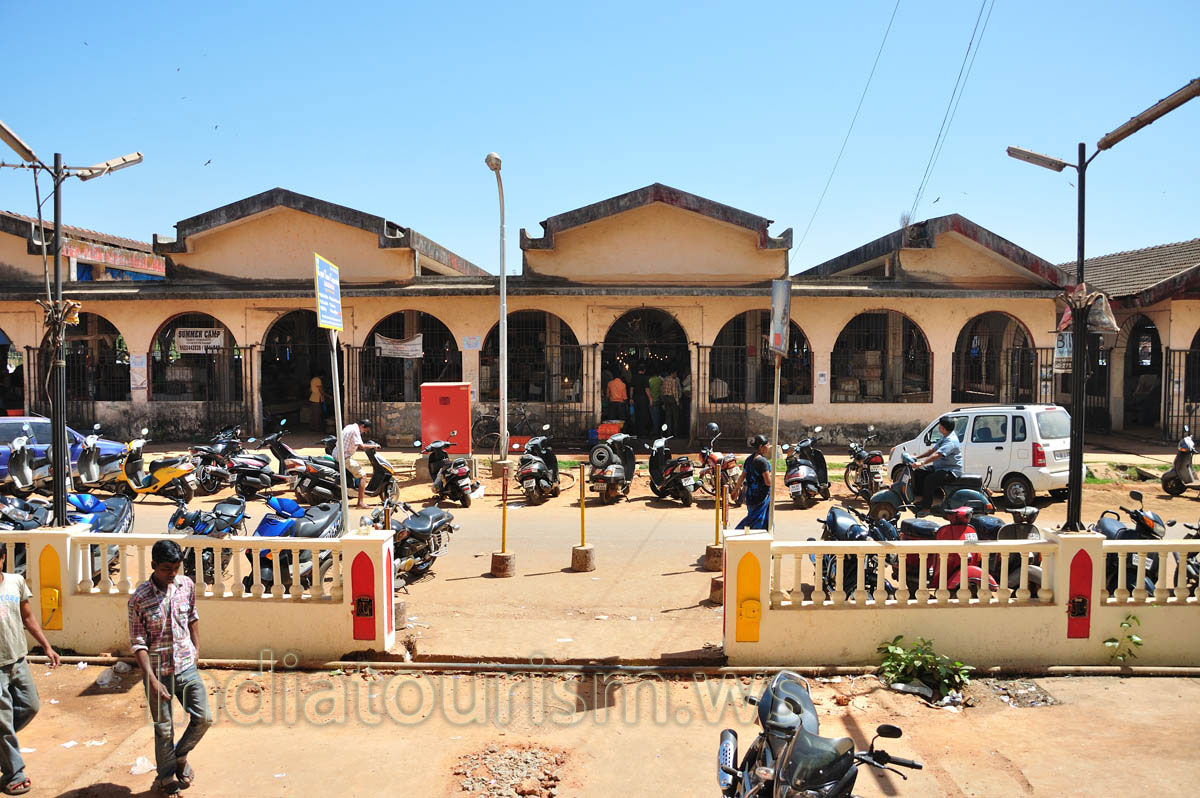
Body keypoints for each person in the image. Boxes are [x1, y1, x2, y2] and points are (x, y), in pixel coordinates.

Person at [128, 539, 209, 795]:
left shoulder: (186, 585)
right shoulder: (139, 599)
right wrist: (151, 679)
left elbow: (193, 616)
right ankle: (165, 779)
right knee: (164, 729)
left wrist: (196, 648)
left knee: (203, 718)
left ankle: (179, 756)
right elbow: (138, 642)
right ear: (153, 565)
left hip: (186, 665)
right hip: (157, 672)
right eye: (166, 568)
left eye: (176, 567)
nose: (172, 573)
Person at [0, 545, 59, 796]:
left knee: (30, 706)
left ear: (2, 559)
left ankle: (4, 745)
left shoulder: (15, 582)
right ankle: (15, 773)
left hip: (18, 659)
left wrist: (47, 646)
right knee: (2, 722)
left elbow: (28, 617)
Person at [913, 416, 964, 513]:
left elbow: (937, 454)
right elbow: (932, 450)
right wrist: (917, 457)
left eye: (940, 425)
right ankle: (922, 500)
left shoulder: (950, 441)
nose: (938, 427)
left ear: (943, 428)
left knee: (930, 479)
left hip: (950, 471)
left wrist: (922, 462)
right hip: (941, 467)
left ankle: (926, 508)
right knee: (919, 472)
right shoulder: (945, 437)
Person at [734, 434, 773, 530]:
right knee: (756, 522)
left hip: (750, 497)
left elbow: (742, 476)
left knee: (755, 518)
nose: (769, 447)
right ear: (761, 447)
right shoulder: (762, 462)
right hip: (761, 497)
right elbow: (768, 482)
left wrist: (735, 490)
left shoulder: (749, 459)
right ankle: (738, 534)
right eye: (767, 445)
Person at [341, 418, 379, 509]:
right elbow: (361, 446)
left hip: (338, 454)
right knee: (363, 476)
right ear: (362, 426)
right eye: (366, 430)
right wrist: (375, 446)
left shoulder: (349, 426)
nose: (365, 432)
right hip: (344, 457)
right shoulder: (355, 431)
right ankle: (360, 503)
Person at [660, 370, 681, 436]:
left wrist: (663, 400)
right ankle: (675, 432)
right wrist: (677, 402)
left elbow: (662, 390)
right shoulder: (673, 380)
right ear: (673, 373)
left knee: (668, 416)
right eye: (676, 373)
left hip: (666, 398)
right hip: (672, 398)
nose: (676, 375)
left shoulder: (665, 379)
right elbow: (675, 392)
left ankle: (668, 432)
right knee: (675, 416)